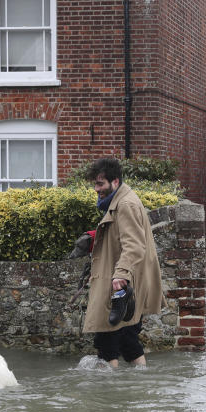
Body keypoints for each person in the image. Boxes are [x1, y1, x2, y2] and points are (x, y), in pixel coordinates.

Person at [82, 157, 166, 367]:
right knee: (128, 340)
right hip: (129, 282)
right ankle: (136, 388)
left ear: (115, 182)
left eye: (100, 184)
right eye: (95, 184)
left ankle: (109, 395)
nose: (96, 189)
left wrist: (120, 274)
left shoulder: (125, 204)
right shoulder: (121, 200)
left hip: (121, 283)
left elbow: (135, 245)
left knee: (106, 341)